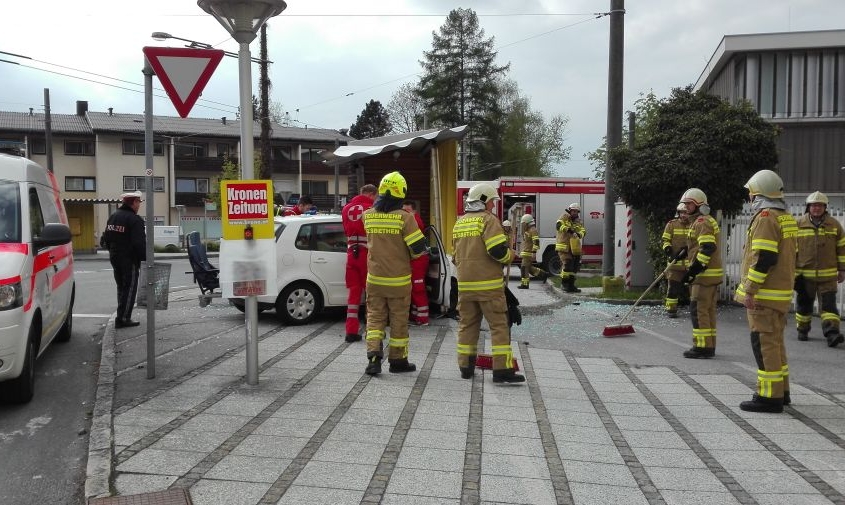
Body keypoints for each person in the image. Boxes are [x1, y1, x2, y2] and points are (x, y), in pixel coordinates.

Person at [734, 170, 797, 413]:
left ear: (758, 193)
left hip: (765, 295)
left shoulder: (766, 217)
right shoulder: (785, 217)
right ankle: (782, 391)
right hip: (780, 293)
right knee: (776, 343)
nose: (749, 196)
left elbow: (765, 259)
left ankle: (769, 396)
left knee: (764, 343)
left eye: (751, 192)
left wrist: (750, 290)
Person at [453, 182, 524, 383]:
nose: (493, 205)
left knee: (467, 325)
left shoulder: (460, 222)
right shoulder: (489, 220)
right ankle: (501, 370)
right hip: (488, 287)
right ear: (483, 200)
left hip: (465, 287)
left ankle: (465, 367)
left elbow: (455, 255)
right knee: (499, 326)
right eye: (492, 201)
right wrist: (511, 255)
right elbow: (497, 251)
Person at [362, 172, 427, 376]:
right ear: (401, 193)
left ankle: (373, 359)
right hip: (398, 281)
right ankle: (398, 361)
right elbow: (418, 250)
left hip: (374, 279)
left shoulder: (368, 215)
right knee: (398, 321)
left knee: (374, 319)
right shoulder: (406, 219)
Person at [795, 191, 845, 347]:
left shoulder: (834, 225)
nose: (816, 208)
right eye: (813, 205)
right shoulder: (798, 224)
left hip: (828, 276)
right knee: (804, 305)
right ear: (808, 207)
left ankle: (832, 334)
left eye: (820, 205)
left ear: (825, 207)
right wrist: (793, 272)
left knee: (829, 307)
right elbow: (791, 250)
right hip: (804, 276)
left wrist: (842, 269)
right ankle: (803, 329)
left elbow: (842, 248)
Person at [679, 188, 724, 359]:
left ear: (699, 205)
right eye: (686, 204)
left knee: (698, 310)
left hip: (703, 276)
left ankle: (702, 347)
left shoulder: (701, 222)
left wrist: (693, 270)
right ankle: (709, 345)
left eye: (689, 204)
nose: (686, 207)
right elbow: (700, 244)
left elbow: (707, 248)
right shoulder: (703, 220)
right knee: (708, 310)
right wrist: (686, 251)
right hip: (710, 275)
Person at [101, 191, 147, 328]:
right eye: (138, 202)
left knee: (121, 286)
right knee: (130, 287)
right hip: (129, 258)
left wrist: (113, 251)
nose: (139, 205)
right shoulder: (134, 219)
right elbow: (139, 243)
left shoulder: (114, 216)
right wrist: (144, 260)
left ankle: (121, 314)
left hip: (115, 256)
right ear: (133, 202)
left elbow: (106, 239)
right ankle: (124, 318)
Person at [342, 185, 377, 342]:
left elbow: (345, 231)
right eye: (375, 196)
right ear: (370, 194)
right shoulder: (371, 209)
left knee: (354, 293)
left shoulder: (346, 208)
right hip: (366, 254)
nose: (376, 199)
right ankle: (372, 329)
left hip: (351, 254)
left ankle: (351, 331)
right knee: (371, 293)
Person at [402, 200, 430, 326]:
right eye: (404, 211)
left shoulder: (415, 221)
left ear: (414, 211)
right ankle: (415, 315)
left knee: (418, 288)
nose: (405, 213)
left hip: (418, 260)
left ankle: (423, 318)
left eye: (408, 211)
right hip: (414, 259)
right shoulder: (412, 219)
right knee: (413, 288)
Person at [661, 203, 691, 318]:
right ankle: (671, 309)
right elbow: (665, 240)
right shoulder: (671, 225)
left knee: (694, 289)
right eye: (681, 213)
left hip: (690, 265)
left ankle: (696, 309)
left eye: (686, 212)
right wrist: (669, 251)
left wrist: (687, 250)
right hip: (675, 264)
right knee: (672, 288)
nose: (684, 215)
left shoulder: (694, 225)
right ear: (678, 213)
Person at [555, 203, 586, 293]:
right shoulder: (564, 216)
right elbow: (558, 225)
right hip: (564, 246)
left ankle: (571, 285)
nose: (575, 213)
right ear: (570, 210)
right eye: (573, 211)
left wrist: (579, 234)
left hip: (574, 247)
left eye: (576, 211)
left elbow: (583, 231)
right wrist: (569, 230)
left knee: (574, 267)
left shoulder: (578, 221)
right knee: (568, 265)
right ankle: (564, 284)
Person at [518, 214, 548, 289]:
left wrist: (534, 253)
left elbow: (536, 242)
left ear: (527, 223)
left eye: (524, 223)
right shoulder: (528, 230)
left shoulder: (533, 230)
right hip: (526, 253)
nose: (523, 225)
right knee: (529, 268)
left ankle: (525, 284)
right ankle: (543, 274)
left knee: (524, 268)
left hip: (529, 253)